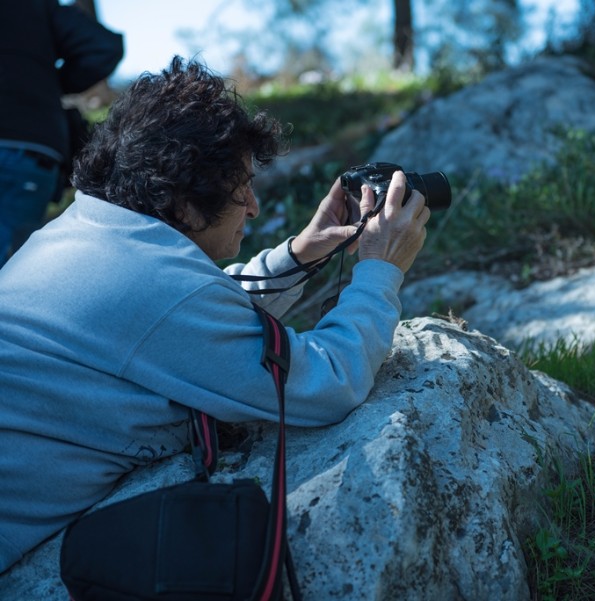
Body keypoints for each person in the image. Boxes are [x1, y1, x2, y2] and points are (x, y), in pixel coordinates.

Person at [0, 56, 431, 573]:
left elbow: (186, 312)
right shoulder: (155, 290)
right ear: (183, 203)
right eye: (241, 186)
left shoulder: (89, 230)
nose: (252, 206)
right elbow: (329, 383)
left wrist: (297, 255)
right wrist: (380, 271)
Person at [0, 0, 124, 267]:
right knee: (11, 276)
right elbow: (104, 46)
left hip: (27, 150)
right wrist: (49, 87)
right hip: (30, 150)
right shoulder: (33, 7)